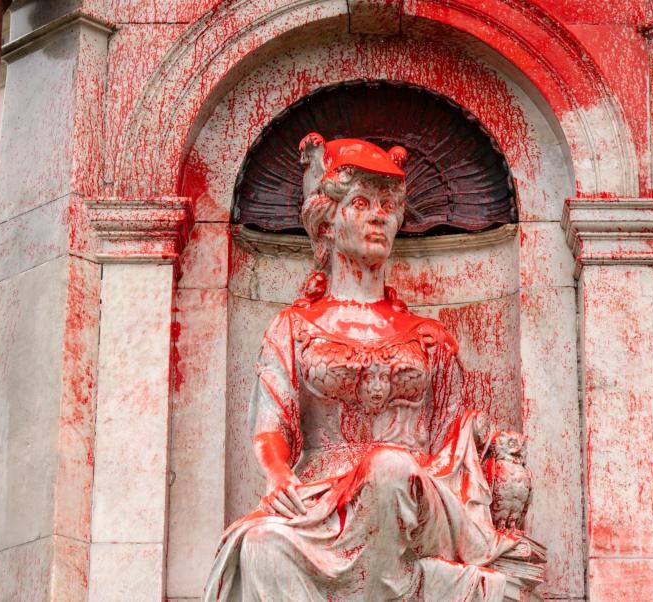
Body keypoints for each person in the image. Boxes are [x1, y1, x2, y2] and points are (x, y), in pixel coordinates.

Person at [204, 133, 520, 601]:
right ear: (327, 222)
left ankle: (400, 581)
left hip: (412, 496)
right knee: (259, 544)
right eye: (362, 202)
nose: (379, 214)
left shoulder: (429, 336)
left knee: (390, 465)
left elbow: (451, 437)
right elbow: (271, 427)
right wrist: (278, 475)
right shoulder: (293, 327)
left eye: (389, 205)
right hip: (320, 498)